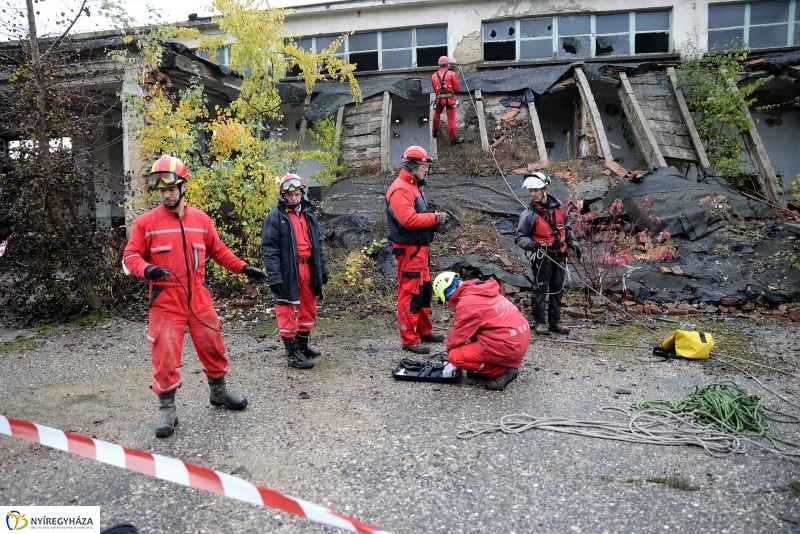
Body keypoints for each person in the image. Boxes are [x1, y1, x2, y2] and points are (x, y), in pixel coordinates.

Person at [122, 155, 268, 438]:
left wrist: (244, 267)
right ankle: (167, 411)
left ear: (183, 187)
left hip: (198, 296)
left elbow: (217, 250)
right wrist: (147, 269)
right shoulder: (146, 224)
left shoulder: (201, 220)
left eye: (171, 189)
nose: (165, 195)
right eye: (161, 190)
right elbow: (130, 257)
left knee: (213, 344)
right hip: (165, 300)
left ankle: (219, 393)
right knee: (164, 356)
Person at [385, 145, 451, 354]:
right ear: (413, 167)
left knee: (422, 291)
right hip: (409, 250)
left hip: (420, 249)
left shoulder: (414, 186)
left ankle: (424, 330)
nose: (426, 171)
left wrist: (434, 220)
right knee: (410, 293)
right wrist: (435, 218)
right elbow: (409, 220)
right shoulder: (400, 189)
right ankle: (410, 339)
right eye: (424, 168)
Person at [261, 173, 329, 370]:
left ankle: (301, 347)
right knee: (286, 309)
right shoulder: (275, 217)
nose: (294, 197)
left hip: (309, 266)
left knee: (309, 308)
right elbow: (269, 249)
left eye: (297, 194)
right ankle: (292, 355)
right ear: (283, 195)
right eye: (290, 194)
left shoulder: (309, 214)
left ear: (302, 193)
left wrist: (322, 269)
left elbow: (318, 243)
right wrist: (274, 276)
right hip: (288, 269)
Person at [433, 270, 529, 391]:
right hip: (519, 337)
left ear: (446, 295)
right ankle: (485, 369)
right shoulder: (482, 289)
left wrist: (451, 358)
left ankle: (503, 371)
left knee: (455, 356)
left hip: (508, 344)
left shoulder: (467, 302)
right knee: (471, 347)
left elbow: (459, 335)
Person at [514, 172, 581, 336]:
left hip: (560, 254)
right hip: (543, 257)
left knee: (558, 287)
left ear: (544, 189)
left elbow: (566, 227)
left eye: (536, 190)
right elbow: (519, 237)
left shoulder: (559, 206)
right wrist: (530, 244)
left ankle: (555, 322)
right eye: (530, 191)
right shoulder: (529, 214)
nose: (533, 194)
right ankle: (539, 322)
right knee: (540, 288)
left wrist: (573, 243)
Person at [431, 56, 465, 146]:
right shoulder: (452, 74)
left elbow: (434, 89)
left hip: (439, 100)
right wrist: (454, 92)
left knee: (436, 115)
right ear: (447, 64)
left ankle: (434, 132)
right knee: (451, 119)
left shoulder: (434, 75)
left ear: (439, 65)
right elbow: (457, 88)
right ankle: (453, 140)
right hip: (450, 100)